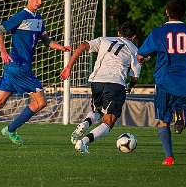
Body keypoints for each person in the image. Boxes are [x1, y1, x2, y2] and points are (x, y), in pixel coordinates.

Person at [0, 0, 71, 145]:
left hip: (17, 67)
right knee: (41, 102)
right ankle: (10, 129)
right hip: (18, 66)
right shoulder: (21, 15)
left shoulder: (39, 19)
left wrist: (61, 47)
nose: (39, 2)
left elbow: (46, 41)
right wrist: (3, 52)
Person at [137, 0, 186, 166]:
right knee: (181, 119)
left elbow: (141, 55)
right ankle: (181, 115)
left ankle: (169, 157)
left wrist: (143, 59)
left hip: (164, 81)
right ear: (184, 14)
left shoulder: (158, 32)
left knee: (163, 120)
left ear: (166, 12)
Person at [60, 22, 141, 153]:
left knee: (98, 111)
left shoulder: (104, 40)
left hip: (96, 81)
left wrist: (68, 67)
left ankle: (85, 124)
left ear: (119, 33)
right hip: (115, 83)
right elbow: (135, 76)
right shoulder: (135, 50)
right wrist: (130, 86)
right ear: (134, 37)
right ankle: (83, 142)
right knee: (109, 120)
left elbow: (82, 45)